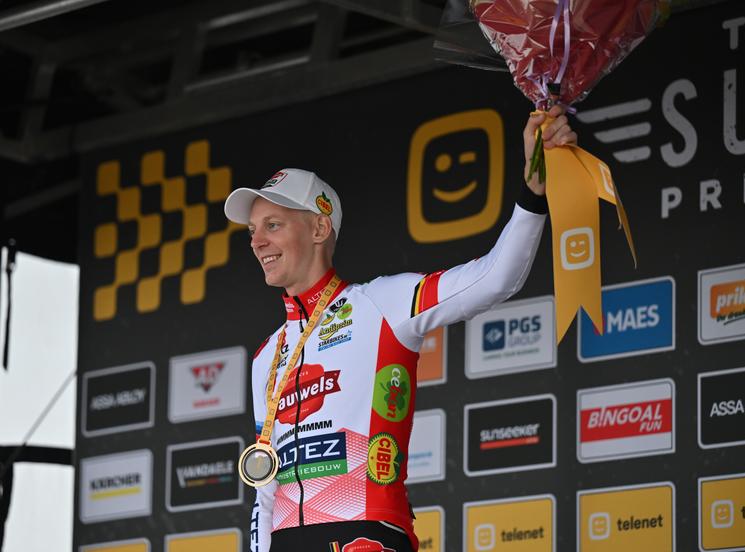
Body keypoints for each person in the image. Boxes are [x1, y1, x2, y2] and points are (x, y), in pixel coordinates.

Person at [223, 106, 576, 552]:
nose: (256, 241)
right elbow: (265, 490)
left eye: (272, 225)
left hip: (364, 535)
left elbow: (496, 276)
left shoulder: (380, 304)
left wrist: (533, 190)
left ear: (319, 226)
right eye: (253, 230)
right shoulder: (265, 357)